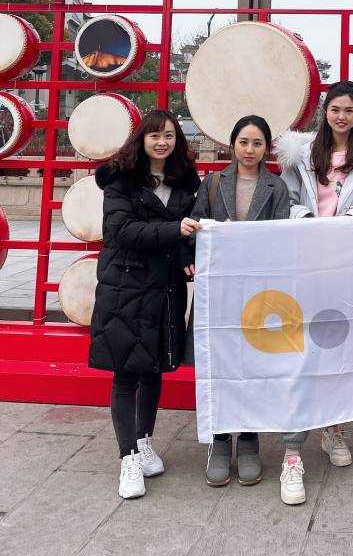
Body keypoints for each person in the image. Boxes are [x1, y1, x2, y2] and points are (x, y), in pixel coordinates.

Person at [275, 80, 353, 505]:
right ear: (326, 111)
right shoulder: (302, 153)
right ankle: (292, 450)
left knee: (340, 345)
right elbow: (284, 197)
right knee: (301, 349)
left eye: (350, 110)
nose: (342, 117)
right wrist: (307, 219)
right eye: (336, 109)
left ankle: (333, 426)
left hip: (348, 259)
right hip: (306, 259)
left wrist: (349, 221)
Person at [88, 109, 201, 500]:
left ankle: (144, 439)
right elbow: (121, 230)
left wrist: (186, 253)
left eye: (169, 135)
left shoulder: (184, 179)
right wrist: (174, 230)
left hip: (166, 287)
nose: (162, 142)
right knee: (126, 372)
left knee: (154, 367)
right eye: (154, 135)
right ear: (142, 139)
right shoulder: (121, 179)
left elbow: (188, 231)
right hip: (126, 286)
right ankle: (128, 457)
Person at [182, 114, 290, 489]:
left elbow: (282, 238)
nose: (249, 150)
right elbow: (193, 228)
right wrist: (204, 239)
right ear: (232, 145)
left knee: (251, 366)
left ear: (266, 149)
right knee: (219, 364)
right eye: (243, 142)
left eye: (257, 143)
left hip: (258, 293)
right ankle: (219, 441)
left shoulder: (277, 187)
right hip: (219, 292)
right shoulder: (213, 183)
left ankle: (248, 441)